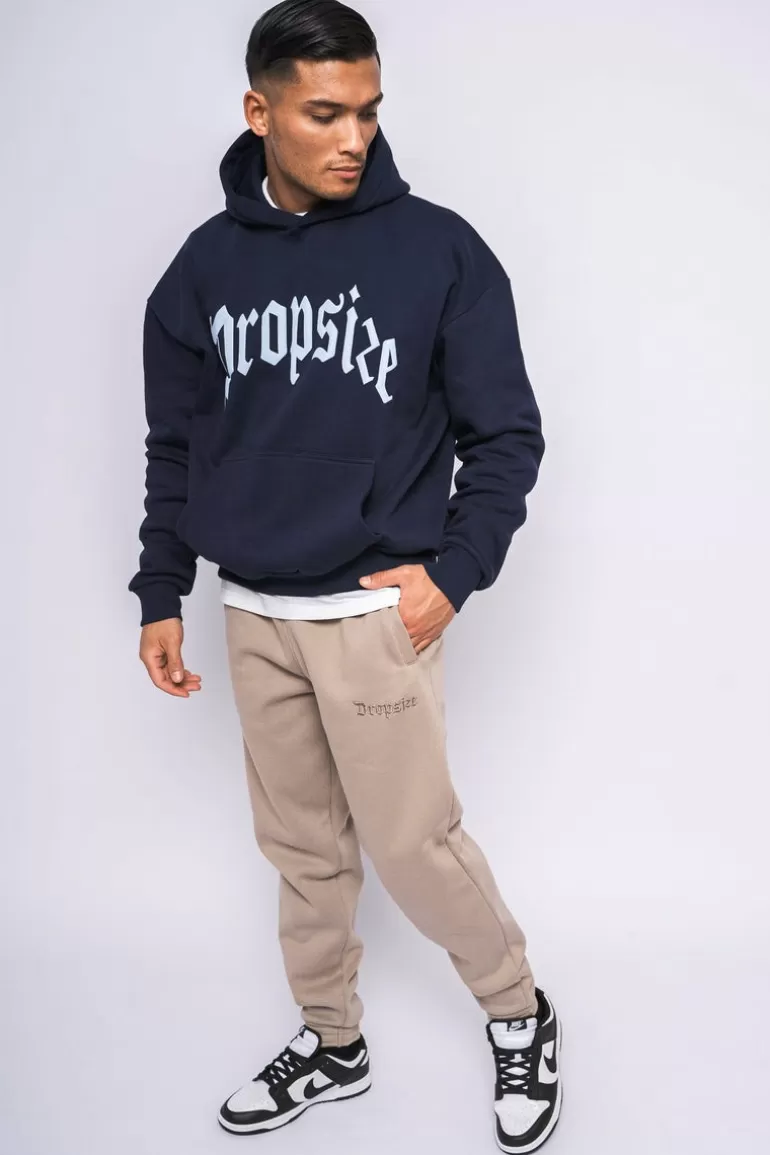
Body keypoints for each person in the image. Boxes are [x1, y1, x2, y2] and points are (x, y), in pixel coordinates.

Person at [128, 1, 561, 1149]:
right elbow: (176, 444)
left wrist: (451, 576)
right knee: (302, 854)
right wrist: (162, 589)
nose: (352, 137)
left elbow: (506, 436)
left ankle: (517, 1011)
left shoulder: (438, 250)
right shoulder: (203, 269)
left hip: (373, 612)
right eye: (324, 113)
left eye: (367, 111)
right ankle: (332, 1039)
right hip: (251, 610)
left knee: (413, 847)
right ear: (258, 111)